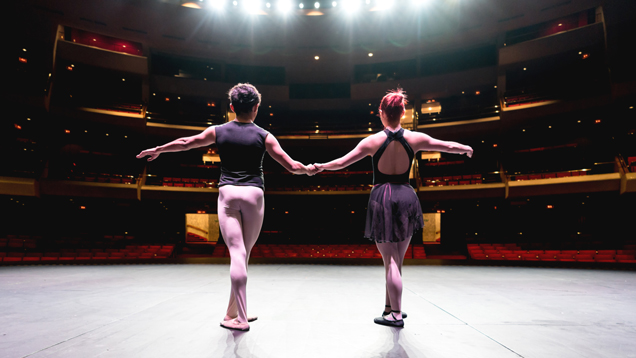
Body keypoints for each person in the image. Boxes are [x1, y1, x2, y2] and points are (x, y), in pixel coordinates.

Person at [137, 83, 317, 332]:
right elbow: (292, 166)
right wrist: (310, 169)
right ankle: (236, 314)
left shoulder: (218, 131)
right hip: (254, 194)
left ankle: (237, 315)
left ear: (232, 107)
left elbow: (188, 142)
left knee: (237, 254)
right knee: (244, 254)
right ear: (256, 108)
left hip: (228, 194)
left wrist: (159, 149)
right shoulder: (265, 135)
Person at [312, 89, 473, 328]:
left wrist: (320, 166)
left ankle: (395, 314)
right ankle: (390, 308)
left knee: (391, 261)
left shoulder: (373, 141)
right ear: (403, 113)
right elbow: (447, 145)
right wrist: (465, 148)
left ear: (381, 113)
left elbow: (342, 162)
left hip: (383, 197)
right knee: (397, 259)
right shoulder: (415, 138)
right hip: (406, 195)